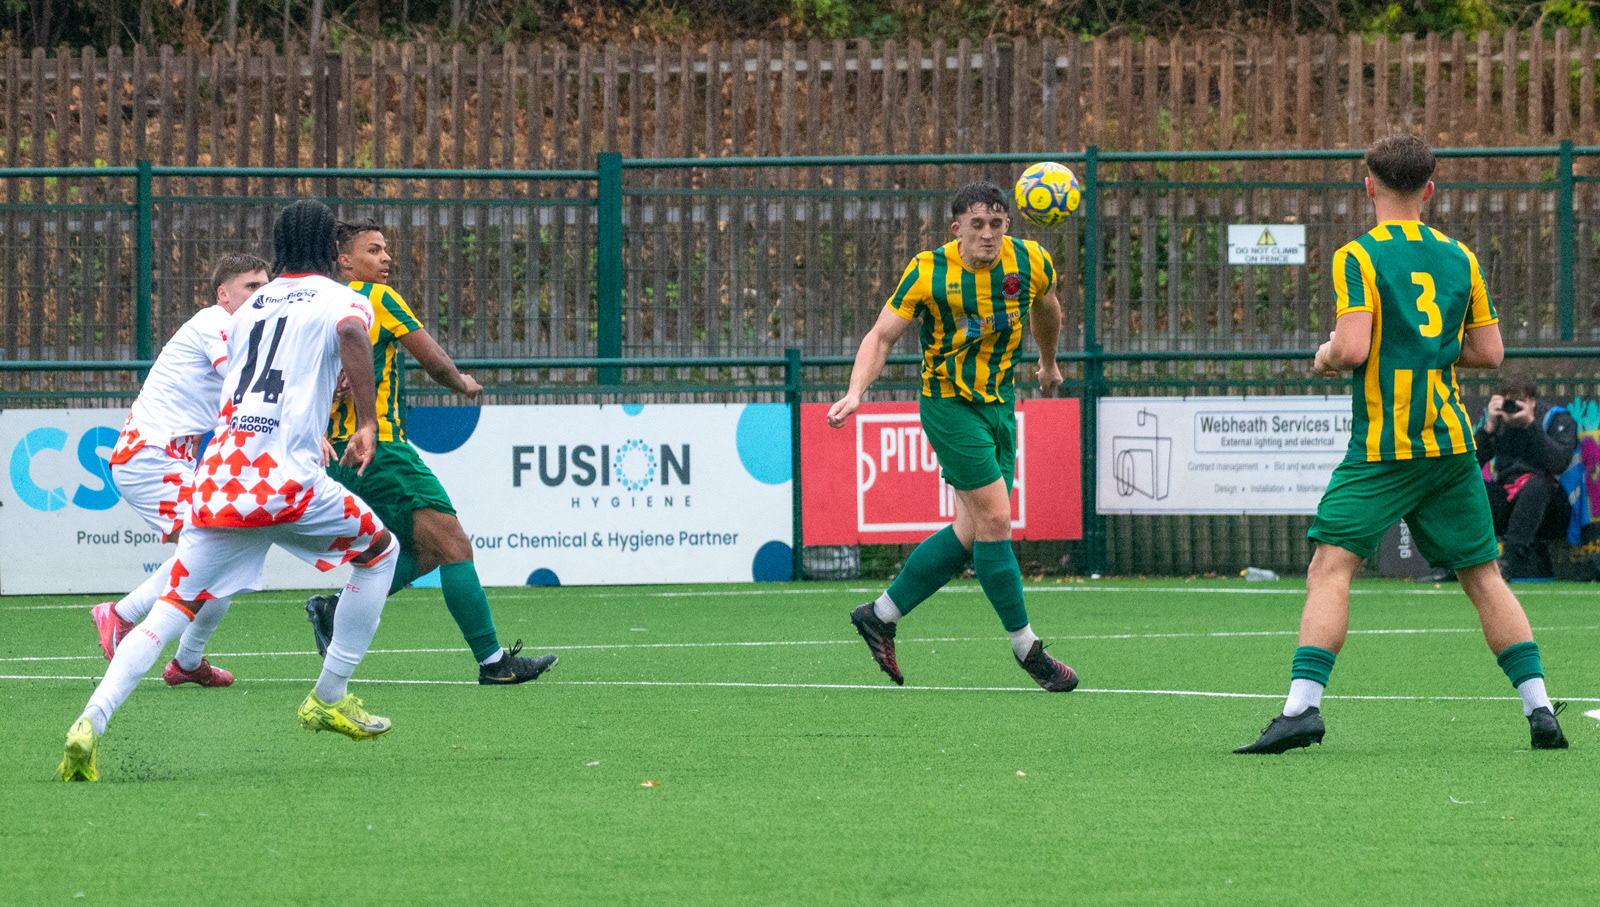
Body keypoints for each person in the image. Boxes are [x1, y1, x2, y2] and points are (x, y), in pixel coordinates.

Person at [1235, 134, 1567, 755]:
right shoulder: (1460, 257)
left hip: (1384, 450)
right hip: (1449, 445)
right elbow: (1490, 353)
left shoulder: (1359, 255)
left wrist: (1325, 354)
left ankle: (1301, 710)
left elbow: (1352, 348)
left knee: (1331, 567)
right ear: (1430, 190)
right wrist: (1427, 347)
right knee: (1483, 575)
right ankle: (1540, 708)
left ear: (1369, 186)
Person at [61, 200, 400, 781]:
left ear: (278, 247)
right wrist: (365, 420)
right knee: (380, 553)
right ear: (330, 248)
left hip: (220, 482)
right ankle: (329, 695)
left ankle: (89, 723)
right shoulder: (341, 297)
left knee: (171, 608)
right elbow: (349, 332)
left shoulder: (246, 312)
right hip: (286, 483)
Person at [827, 180, 1077, 692]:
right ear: (956, 228)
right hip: (948, 405)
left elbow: (1047, 309)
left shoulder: (1031, 261)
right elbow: (881, 335)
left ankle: (880, 615)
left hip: (999, 404)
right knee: (997, 519)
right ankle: (1026, 647)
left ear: (1008, 224)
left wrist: (1048, 363)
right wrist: (855, 392)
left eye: (996, 224)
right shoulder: (928, 270)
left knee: (970, 534)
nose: (987, 234)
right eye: (977, 225)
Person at [303, 218, 556, 685]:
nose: (386, 258)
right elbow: (433, 360)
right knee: (454, 544)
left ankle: (334, 610)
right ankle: (493, 663)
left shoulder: (317, 306)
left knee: (418, 550)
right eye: (374, 250)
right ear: (344, 260)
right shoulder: (375, 299)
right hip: (380, 448)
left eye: (385, 249)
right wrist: (462, 383)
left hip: (332, 453)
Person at [90, 254, 271, 688]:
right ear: (222, 294)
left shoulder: (249, 334)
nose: (262, 296)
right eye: (251, 287)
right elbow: (242, 383)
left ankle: (188, 662)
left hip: (172, 459)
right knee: (220, 546)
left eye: (267, 288)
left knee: (227, 553)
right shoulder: (215, 322)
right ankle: (122, 614)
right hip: (150, 457)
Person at [1476, 375, 1578, 579]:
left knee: (1537, 486)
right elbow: (1470, 465)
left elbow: (1558, 463)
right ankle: (1457, 563)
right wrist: (1488, 429)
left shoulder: (1556, 419)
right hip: (1509, 500)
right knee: (1468, 491)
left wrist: (1531, 425)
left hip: (1551, 508)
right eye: (1509, 403)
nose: (1514, 408)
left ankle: (1510, 560)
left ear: (1533, 401)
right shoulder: (1499, 422)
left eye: (1519, 402)